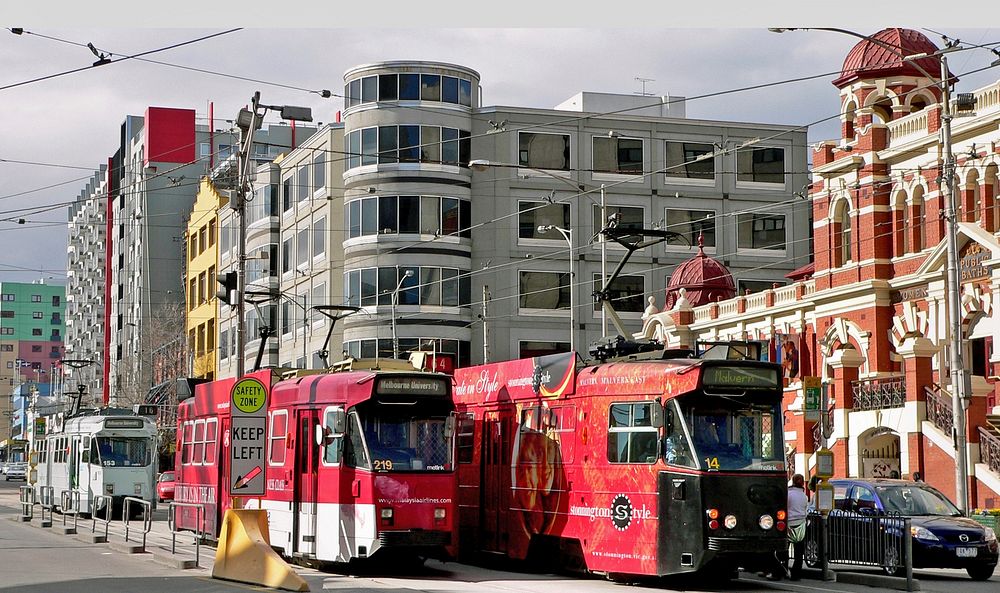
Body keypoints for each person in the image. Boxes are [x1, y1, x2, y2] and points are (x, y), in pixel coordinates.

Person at [786, 474, 809, 580]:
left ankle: (782, 571)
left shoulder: (788, 494)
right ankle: (796, 574)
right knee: (799, 552)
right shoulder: (804, 496)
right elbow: (805, 510)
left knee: (784, 549)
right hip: (801, 524)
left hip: (788, 524)